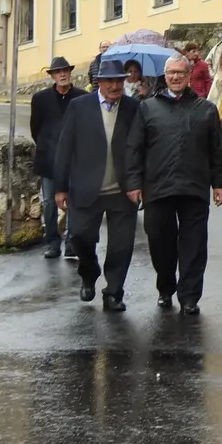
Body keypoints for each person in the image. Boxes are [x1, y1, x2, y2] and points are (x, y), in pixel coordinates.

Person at [126, 54, 222, 315]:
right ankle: (165, 286)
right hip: (158, 188)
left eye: (180, 73)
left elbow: (217, 149)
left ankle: (189, 296)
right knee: (160, 242)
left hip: (194, 187)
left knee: (194, 245)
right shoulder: (148, 108)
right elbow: (135, 149)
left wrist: (219, 183)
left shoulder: (205, 109)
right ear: (165, 75)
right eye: (171, 73)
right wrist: (134, 183)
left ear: (189, 75)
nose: (175, 77)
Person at [52, 59, 140, 312]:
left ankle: (113, 292)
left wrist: (139, 183)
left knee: (121, 246)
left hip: (123, 191)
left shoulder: (134, 108)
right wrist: (60, 187)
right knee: (80, 237)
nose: (115, 86)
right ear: (98, 82)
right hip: (85, 188)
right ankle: (89, 273)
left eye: (119, 80)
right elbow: (65, 147)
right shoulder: (80, 107)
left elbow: (140, 148)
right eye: (110, 80)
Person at [30, 57, 88, 259]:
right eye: (58, 72)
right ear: (53, 76)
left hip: (74, 160)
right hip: (48, 159)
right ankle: (53, 242)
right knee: (48, 202)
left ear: (70, 73)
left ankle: (71, 242)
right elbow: (35, 128)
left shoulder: (82, 97)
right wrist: (46, 145)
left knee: (73, 201)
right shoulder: (40, 98)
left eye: (65, 71)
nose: (62, 75)